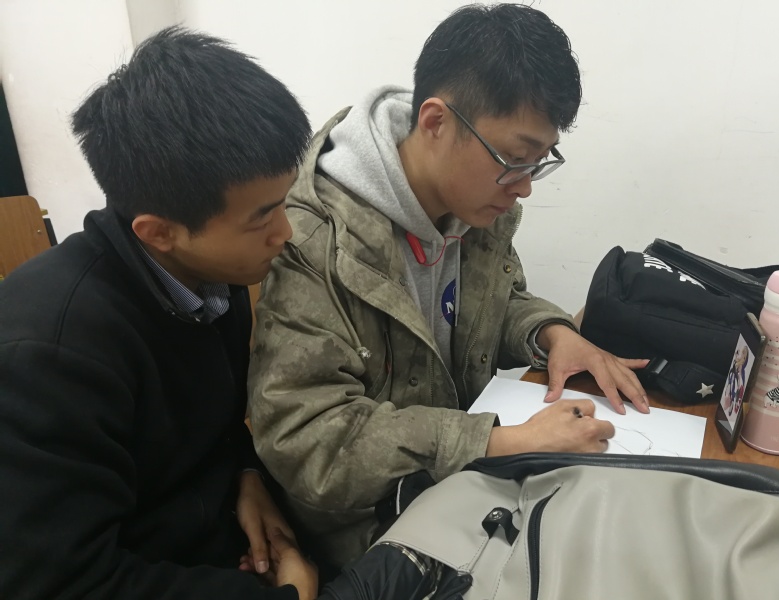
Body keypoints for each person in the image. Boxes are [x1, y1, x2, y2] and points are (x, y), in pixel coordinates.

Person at [247, 3, 651, 568]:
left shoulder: (473, 203)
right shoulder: (315, 240)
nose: (525, 187)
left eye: (539, 162)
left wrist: (552, 333)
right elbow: (308, 439)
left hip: (464, 490)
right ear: (436, 122)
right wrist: (499, 442)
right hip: (375, 534)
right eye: (516, 158)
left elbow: (492, 302)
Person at [0, 27, 318, 600]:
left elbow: (218, 429)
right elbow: (63, 582)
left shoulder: (210, 279)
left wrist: (246, 474)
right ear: (159, 232)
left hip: (219, 544)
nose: (285, 233)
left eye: (284, 203)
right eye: (262, 217)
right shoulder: (48, 355)